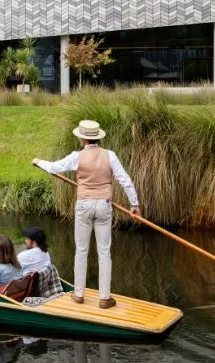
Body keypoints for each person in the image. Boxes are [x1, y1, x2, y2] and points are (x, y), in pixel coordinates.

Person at [33, 119, 140, 309]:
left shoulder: (77, 156)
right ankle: (105, 298)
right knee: (104, 252)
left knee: (81, 251)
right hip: (104, 206)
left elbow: (54, 167)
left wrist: (38, 162)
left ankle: (79, 294)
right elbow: (125, 180)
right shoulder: (110, 155)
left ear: (82, 138)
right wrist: (134, 204)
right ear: (97, 138)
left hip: (84, 206)